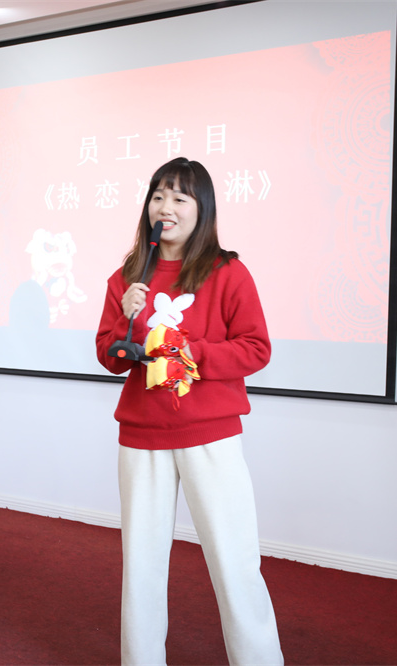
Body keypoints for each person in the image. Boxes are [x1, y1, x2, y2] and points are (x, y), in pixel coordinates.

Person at [96, 158, 283, 664]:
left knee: (234, 561)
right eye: (159, 196)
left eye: (180, 198)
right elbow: (110, 357)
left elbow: (256, 349)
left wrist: (190, 352)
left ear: (203, 210)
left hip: (210, 435)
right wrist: (125, 321)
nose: (167, 207)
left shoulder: (228, 272)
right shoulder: (126, 278)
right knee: (142, 565)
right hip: (142, 436)